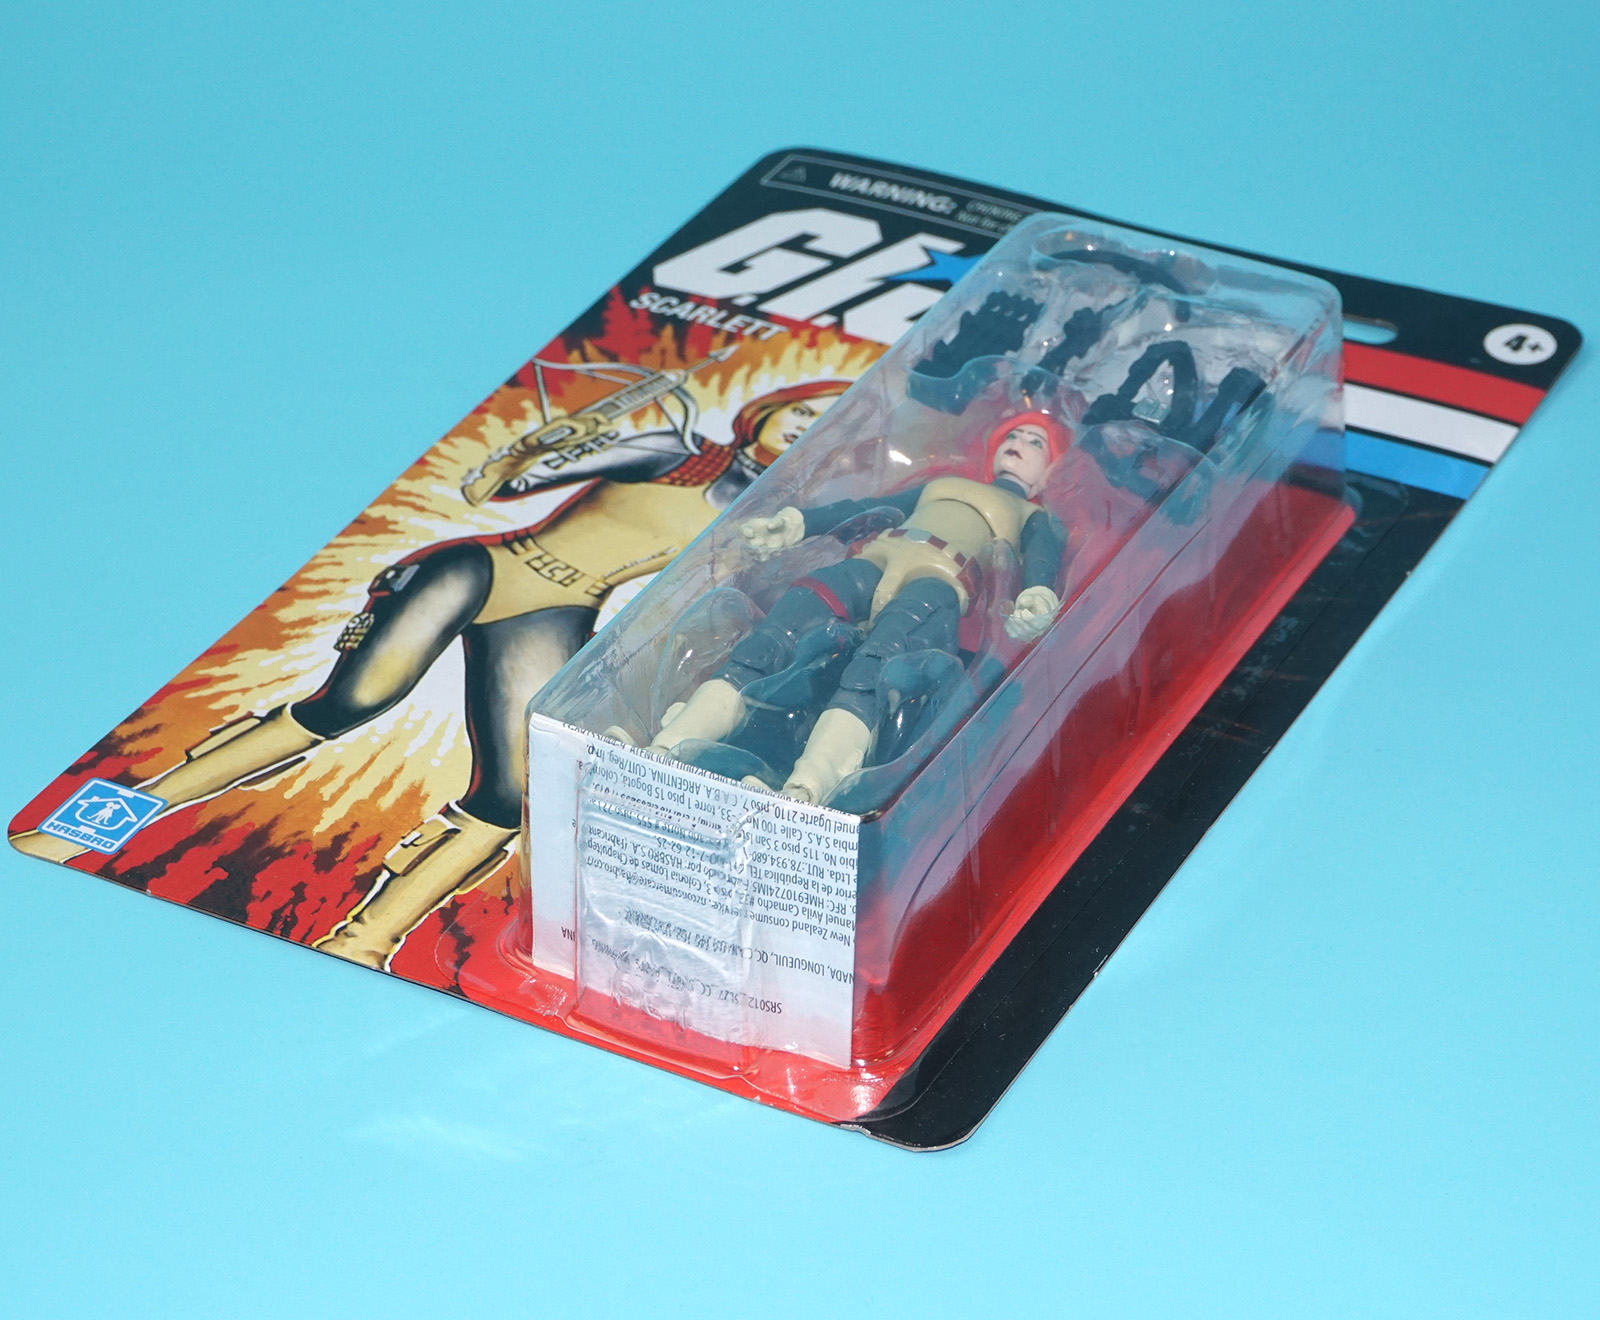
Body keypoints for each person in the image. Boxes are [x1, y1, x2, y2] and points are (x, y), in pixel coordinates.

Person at [13, 377, 849, 969]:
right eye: (803, 409)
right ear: (765, 412)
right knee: (346, 706)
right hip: (485, 568)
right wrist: (545, 448)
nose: (807, 424)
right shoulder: (678, 454)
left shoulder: (774, 517)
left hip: (556, 613)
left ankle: (369, 935)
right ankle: (110, 819)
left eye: (828, 421)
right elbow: (511, 478)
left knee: (511, 797)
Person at [645, 411, 1071, 805]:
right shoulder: (940, 485)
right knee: (789, 619)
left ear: (1049, 471)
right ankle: (674, 739)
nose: (1018, 443)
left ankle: (809, 785)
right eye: (1013, 434)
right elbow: (867, 511)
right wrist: (800, 523)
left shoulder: (1030, 513)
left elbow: (1041, 559)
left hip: (942, 579)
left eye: (1035, 442)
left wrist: (1037, 596)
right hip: (876, 555)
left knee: (878, 665)